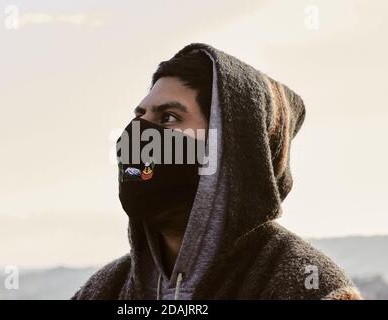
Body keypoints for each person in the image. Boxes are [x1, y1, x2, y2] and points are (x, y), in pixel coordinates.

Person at [72, 43, 362, 300]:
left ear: (230, 147)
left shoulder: (308, 288)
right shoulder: (102, 291)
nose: (137, 134)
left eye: (168, 117)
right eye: (140, 116)